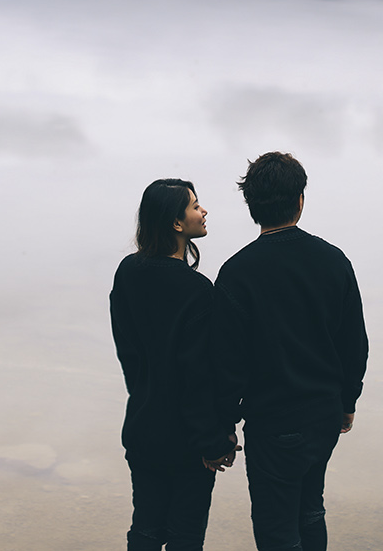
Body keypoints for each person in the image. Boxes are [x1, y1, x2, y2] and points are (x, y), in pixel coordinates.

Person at [213, 152, 369, 551]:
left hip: (273, 421)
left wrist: (224, 425)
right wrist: (347, 400)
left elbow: (227, 363)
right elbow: (354, 342)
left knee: (275, 527)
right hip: (323, 415)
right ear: (300, 200)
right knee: (310, 510)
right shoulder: (334, 261)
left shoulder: (237, 272)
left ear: (251, 206)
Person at [110, 178, 240, 551]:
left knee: (146, 528)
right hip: (187, 440)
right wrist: (214, 441)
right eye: (195, 206)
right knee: (185, 536)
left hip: (143, 426)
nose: (204, 211)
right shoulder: (197, 292)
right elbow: (198, 375)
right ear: (176, 223)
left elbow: (129, 356)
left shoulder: (127, 274)